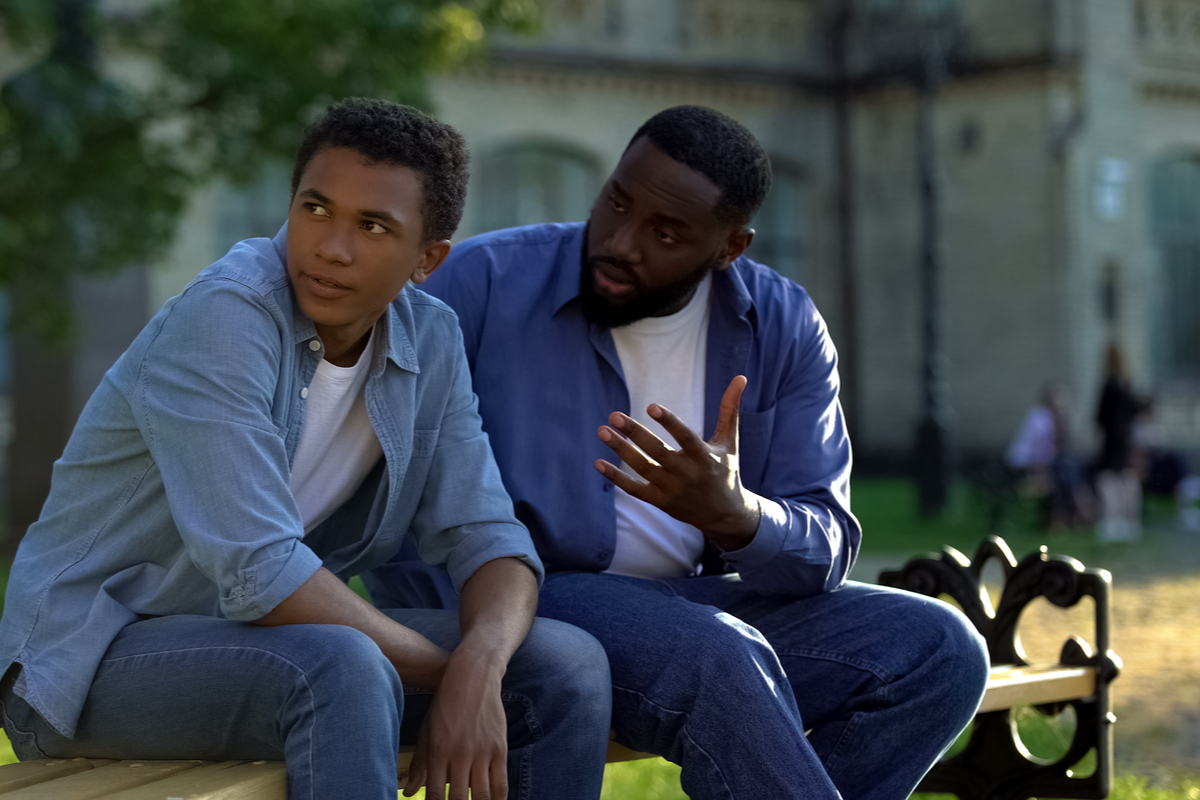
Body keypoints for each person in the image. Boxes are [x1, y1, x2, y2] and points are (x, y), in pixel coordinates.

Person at [0, 98, 611, 800]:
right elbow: (261, 571)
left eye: (373, 226)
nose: (330, 247)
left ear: (428, 258)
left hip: (258, 649)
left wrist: (487, 655)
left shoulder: (430, 338)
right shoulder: (225, 318)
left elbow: (486, 533)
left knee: (563, 665)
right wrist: (459, 674)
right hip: (86, 666)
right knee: (342, 667)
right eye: (315, 209)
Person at [387, 105, 991, 800]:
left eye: (666, 233)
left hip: (700, 604)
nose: (619, 241)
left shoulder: (782, 324)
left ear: (730, 247)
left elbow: (825, 543)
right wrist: (464, 638)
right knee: (716, 653)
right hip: (529, 601)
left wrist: (739, 517)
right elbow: (395, 480)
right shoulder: (480, 285)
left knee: (940, 650)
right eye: (617, 201)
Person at [1005, 382, 1094, 529]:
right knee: (1066, 471)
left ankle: (1072, 514)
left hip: (1053, 464)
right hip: (1030, 465)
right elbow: (1036, 449)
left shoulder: (1061, 419)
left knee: (1071, 467)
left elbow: (1069, 445)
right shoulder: (1039, 418)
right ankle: (1076, 513)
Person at [1094, 342, 1143, 541]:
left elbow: (1099, 418)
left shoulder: (1109, 386)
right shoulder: (1126, 385)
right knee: (1127, 482)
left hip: (1111, 442)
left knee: (1108, 482)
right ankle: (1130, 523)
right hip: (1126, 442)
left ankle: (1112, 524)